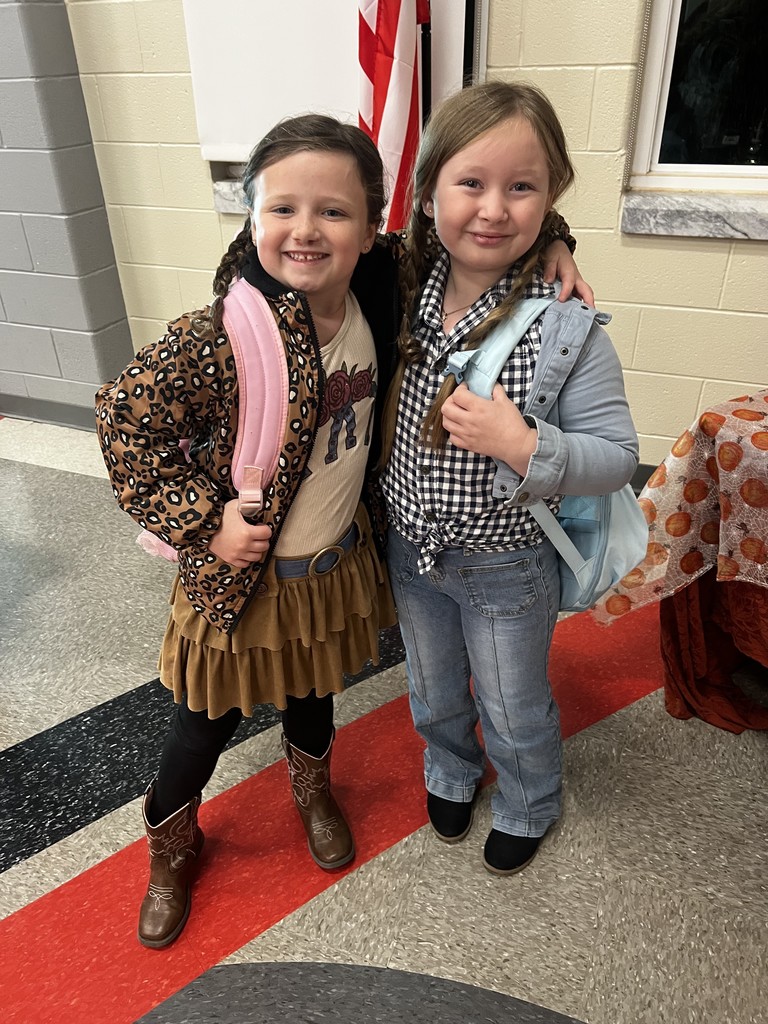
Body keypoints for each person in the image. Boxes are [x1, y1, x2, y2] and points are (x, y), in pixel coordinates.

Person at [95, 112, 586, 949]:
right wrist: (204, 523)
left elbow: (480, 225)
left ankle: (312, 790)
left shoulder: (381, 288)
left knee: (311, 696)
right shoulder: (218, 334)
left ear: (371, 229)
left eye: (334, 211)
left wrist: (556, 242)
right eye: (282, 208)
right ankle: (171, 847)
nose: (306, 230)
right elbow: (122, 427)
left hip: (328, 570)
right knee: (200, 725)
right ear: (250, 215)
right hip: (240, 579)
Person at [380, 81, 639, 877]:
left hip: (507, 565)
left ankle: (529, 798)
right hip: (413, 552)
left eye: (521, 188)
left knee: (514, 702)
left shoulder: (564, 326)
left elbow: (619, 455)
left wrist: (524, 443)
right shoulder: (403, 281)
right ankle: (451, 769)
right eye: (471, 184)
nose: (494, 208)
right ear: (427, 197)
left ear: (549, 195)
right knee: (431, 688)